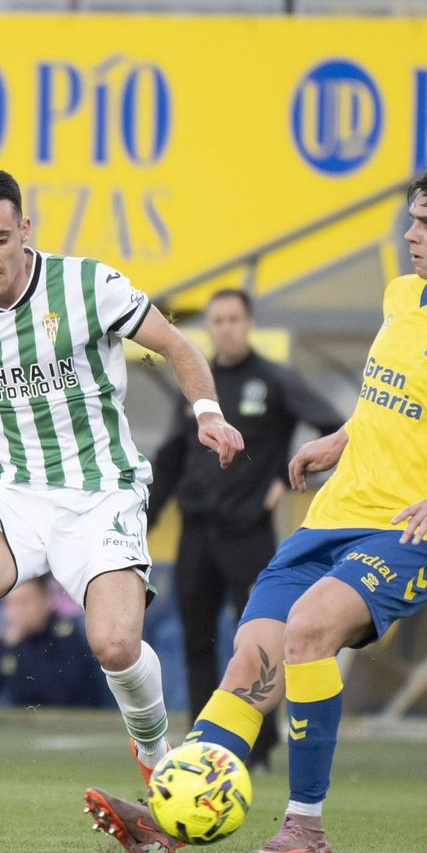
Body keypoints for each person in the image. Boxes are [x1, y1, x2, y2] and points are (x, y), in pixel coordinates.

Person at [84, 157, 427, 853]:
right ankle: (169, 819)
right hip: (329, 522)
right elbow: (394, 405)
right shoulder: (404, 299)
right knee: (252, 657)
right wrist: (339, 439)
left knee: (307, 630)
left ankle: (305, 828)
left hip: (408, 533)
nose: (410, 234)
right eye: (411, 219)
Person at [0, 166, 244, 831]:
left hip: (100, 493)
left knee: (117, 646)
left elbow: (175, 344)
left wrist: (208, 411)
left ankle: (158, 764)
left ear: (25, 231)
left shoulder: (88, 286)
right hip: (10, 489)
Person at [148, 288, 345, 768]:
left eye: (234, 319)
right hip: (196, 532)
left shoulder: (273, 380)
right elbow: (172, 458)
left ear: (249, 323)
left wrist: (285, 477)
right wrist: (143, 521)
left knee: (259, 641)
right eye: (217, 321)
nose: (226, 328)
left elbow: (332, 424)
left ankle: (257, 746)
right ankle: (203, 744)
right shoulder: (198, 390)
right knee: (197, 639)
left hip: (248, 533)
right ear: (209, 328)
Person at [0, 576, 110, 709]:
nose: (15, 612)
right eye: (10, 604)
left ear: (46, 601)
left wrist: (18, 648)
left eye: (23, 603)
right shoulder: (6, 644)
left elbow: (61, 696)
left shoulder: (65, 635)